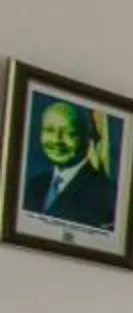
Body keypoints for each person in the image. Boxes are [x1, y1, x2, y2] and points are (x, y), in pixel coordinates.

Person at [22, 97, 116, 230]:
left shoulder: (106, 194)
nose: (57, 140)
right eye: (49, 130)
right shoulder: (33, 186)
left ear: (88, 138)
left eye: (69, 133)